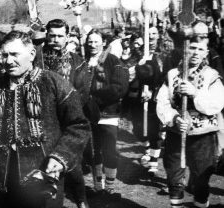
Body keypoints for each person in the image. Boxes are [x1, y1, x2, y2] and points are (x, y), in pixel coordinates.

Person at [0, 31, 90, 208]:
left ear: (31, 54)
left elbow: (78, 126)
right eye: (5, 55)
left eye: (14, 54)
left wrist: (60, 157)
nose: (8, 60)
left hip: (44, 175)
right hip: (5, 177)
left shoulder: (53, 83)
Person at [156, 38, 224, 208]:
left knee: (201, 180)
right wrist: (175, 119)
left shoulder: (211, 76)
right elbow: (162, 102)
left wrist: (195, 94)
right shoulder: (172, 75)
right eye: (192, 48)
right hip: (176, 134)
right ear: (185, 50)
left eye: (200, 49)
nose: (195, 53)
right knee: (174, 178)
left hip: (203, 136)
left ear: (206, 53)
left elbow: (218, 103)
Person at [42, 19, 90, 208]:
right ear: (46, 35)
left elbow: (82, 94)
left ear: (67, 37)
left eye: (59, 36)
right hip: (42, 122)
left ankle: (81, 201)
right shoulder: (37, 60)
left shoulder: (77, 63)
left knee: (73, 166)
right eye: (51, 35)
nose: (55, 40)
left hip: (68, 122)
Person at [84, 29, 129, 198]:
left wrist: (96, 99)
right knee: (93, 150)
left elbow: (119, 87)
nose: (93, 45)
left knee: (109, 150)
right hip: (88, 114)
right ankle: (97, 186)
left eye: (96, 41)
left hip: (108, 113)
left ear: (103, 43)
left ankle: (109, 186)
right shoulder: (83, 62)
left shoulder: (112, 61)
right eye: (90, 41)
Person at [132, 26, 165, 175]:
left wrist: (153, 92)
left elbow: (165, 77)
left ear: (158, 35)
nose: (151, 37)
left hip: (157, 97)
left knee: (155, 129)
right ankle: (147, 149)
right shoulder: (139, 53)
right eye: (148, 34)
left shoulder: (163, 54)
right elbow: (131, 74)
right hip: (139, 96)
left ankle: (153, 161)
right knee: (139, 128)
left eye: (154, 34)